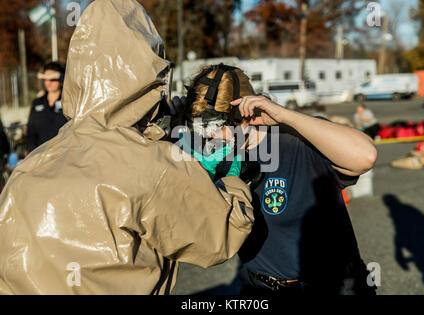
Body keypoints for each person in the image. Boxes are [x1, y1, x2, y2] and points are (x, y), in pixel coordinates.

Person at [0, 0, 254, 295]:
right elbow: (222, 234)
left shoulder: (31, 167)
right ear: (148, 77)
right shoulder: (150, 165)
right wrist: (232, 177)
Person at [183, 64, 378, 295]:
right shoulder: (212, 156)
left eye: (216, 126)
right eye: (201, 128)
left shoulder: (295, 139)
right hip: (259, 287)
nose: (210, 137)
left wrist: (286, 116)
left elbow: (365, 156)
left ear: (243, 113)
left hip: (332, 284)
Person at [26, 61, 67, 155]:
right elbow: (31, 131)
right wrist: (31, 152)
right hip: (41, 156)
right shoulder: (37, 103)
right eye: (46, 79)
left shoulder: (68, 102)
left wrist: (60, 76)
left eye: (52, 79)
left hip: (62, 155)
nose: (48, 82)